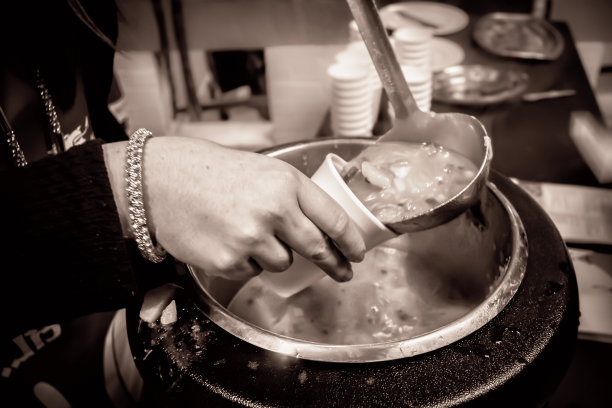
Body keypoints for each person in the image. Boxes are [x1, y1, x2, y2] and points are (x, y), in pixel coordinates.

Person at [0, 0, 365, 405]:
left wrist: (152, 235)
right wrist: (134, 185)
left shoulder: (64, 15)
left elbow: (90, 138)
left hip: (108, 338)